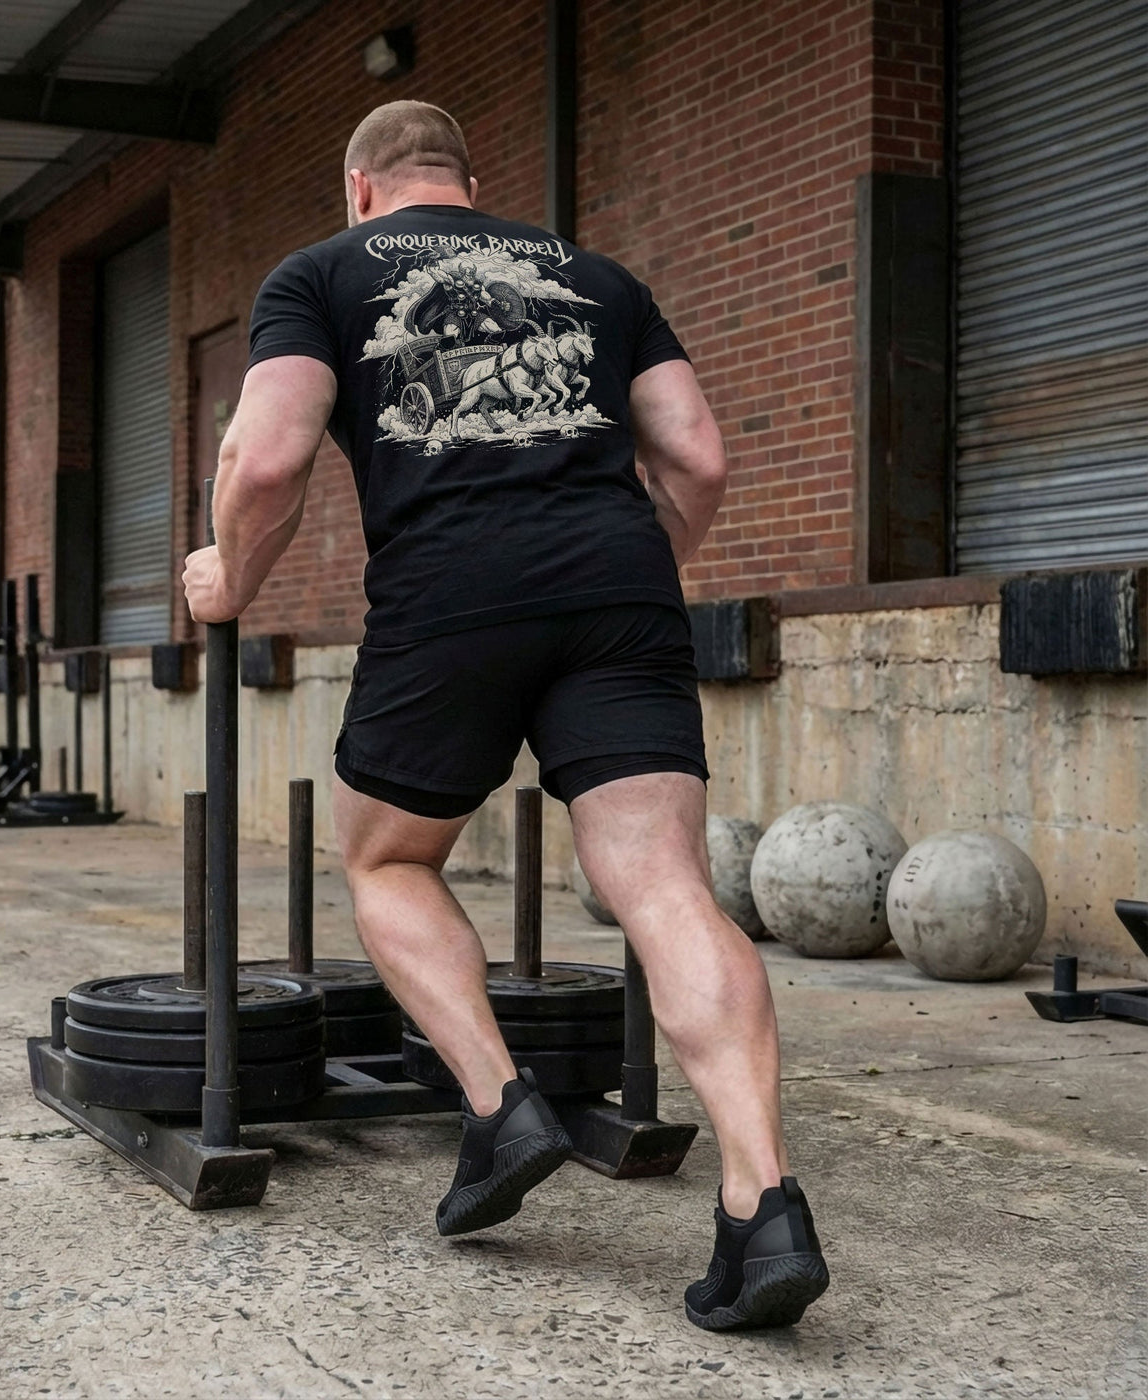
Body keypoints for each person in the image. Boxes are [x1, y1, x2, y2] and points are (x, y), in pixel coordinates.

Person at [182, 100, 828, 1331]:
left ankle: (498, 1104)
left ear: (358, 187)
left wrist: (230, 577)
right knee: (664, 887)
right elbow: (696, 456)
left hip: (449, 592)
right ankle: (764, 1203)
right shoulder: (598, 276)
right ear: (468, 184)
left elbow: (263, 462)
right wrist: (634, 569)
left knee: (386, 858)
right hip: (618, 587)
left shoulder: (319, 272)